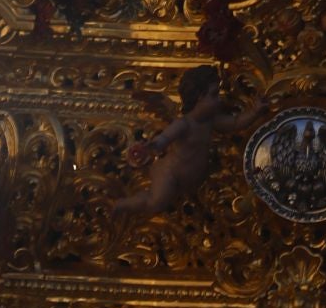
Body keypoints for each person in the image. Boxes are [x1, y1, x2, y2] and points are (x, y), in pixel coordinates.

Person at [111, 65, 264, 219]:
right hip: (169, 174)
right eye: (214, 95)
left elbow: (235, 123)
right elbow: (165, 137)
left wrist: (255, 112)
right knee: (155, 203)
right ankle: (123, 204)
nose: (219, 99)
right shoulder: (184, 124)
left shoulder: (211, 120)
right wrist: (153, 145)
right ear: (198, 97)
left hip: (192, 178)